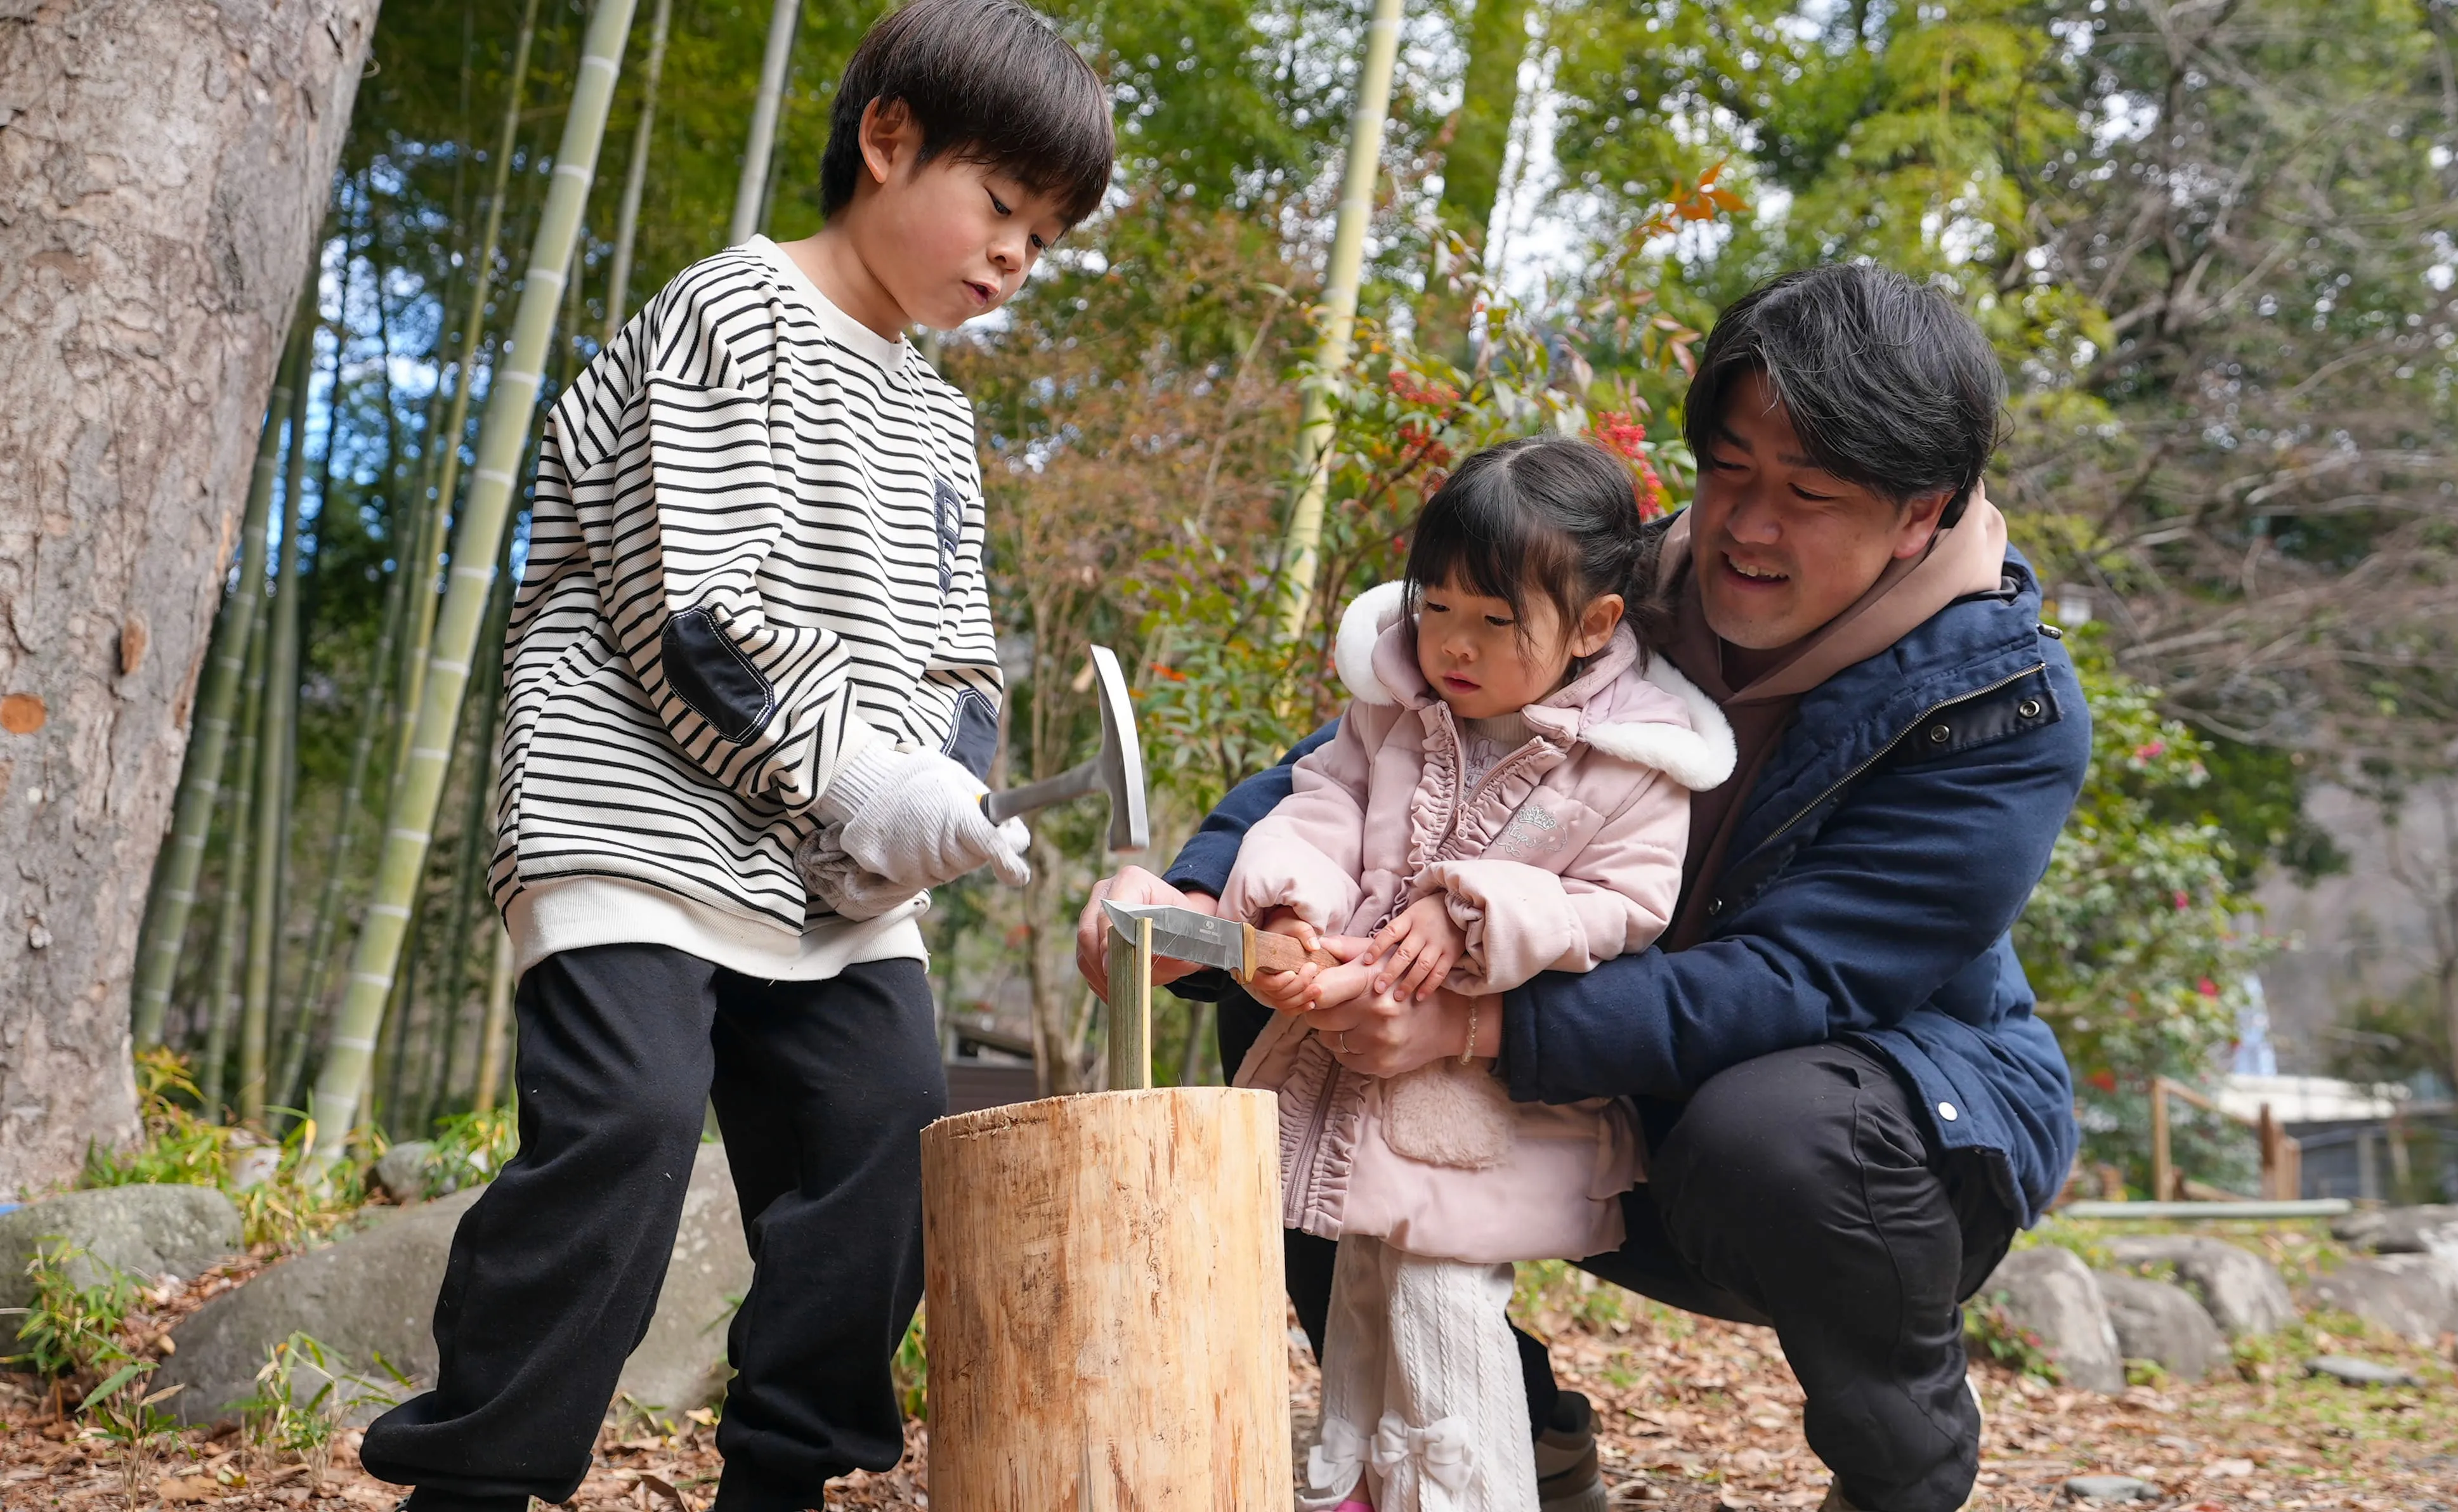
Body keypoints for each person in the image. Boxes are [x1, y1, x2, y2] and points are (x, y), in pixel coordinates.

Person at [1082, 263, 2091, 1512]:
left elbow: (1802, 979)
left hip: (1858, 1124)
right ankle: (1504, 1425)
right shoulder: (1614, 592)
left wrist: (1477, 1019)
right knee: (1301, 988)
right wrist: (1192, 898)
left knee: (1776, 1129)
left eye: (1805, 493)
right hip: (1615, 1077)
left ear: (1918, 512)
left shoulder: (1995, 709)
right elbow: (1352, 760)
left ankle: (1903, 1465)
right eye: (1727, 472)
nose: (1744, 527)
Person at [361, 6, 1113, 1511]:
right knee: (629, 1125)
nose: (1014, 254)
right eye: (1000, 204)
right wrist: (862, 783)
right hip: (633, 821)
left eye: (1042, 234)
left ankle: (785, 1479)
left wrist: (948, 793)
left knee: (888, 1135)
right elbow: (692, 616)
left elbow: (961, 658)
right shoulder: (730, 312)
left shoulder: (939, 421)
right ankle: (476, 1480)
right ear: (886, 139)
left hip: (830, 876)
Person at [1215, 437, 1732, 1512]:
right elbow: (1321, 803)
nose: (1454, 644)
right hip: (1362, 1071)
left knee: (1442, 1298)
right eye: (1437, 607)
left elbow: (1629, 907)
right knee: (1363, 1281)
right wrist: (1289, 908)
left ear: (1594, 625)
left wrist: (1478, 911)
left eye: (1497, 623)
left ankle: (1479, 1493)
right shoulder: (1395, 707)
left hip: (1490, 1092)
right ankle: (1352, 1481)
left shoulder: (1637, 759)